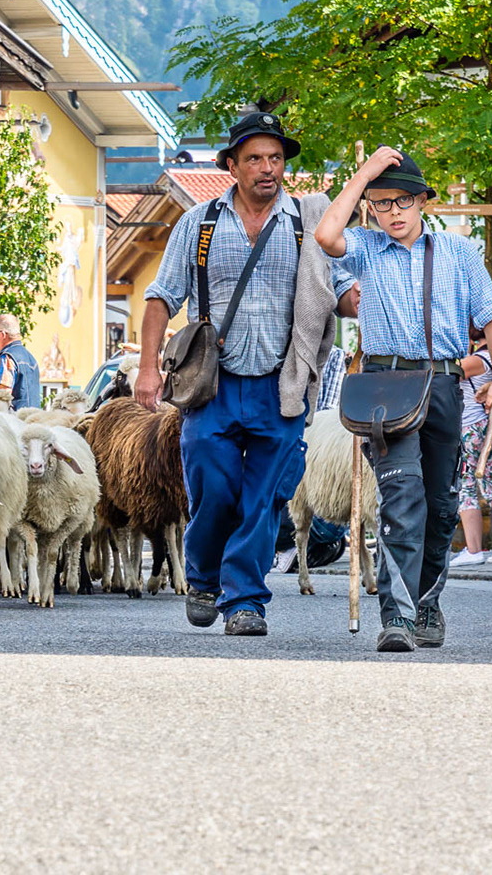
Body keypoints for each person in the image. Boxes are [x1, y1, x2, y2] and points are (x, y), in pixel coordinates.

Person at [139, 112, 347, 637]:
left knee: (265, 498)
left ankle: (245, 601)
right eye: (254, 158)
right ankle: (204, 576)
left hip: (283, 383)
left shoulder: (304, 222)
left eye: (275, 158)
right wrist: (146, 368)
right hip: (212, 384)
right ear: (231, 165)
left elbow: (337, 287)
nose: (267, 168)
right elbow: (162, 297)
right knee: (214, 487)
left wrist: (375, 307)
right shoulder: (200, 223)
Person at [315, 143, 492, 652]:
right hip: (386, 387)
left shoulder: (459, 251)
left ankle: (427, 601)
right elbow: (324, 235)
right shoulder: (364, 246)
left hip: (445, 383)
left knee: (442, 505)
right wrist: (367, 172)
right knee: (402, 498)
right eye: (381, 203)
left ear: (423, 201)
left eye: (402, 202)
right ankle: (397, 617)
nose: (392, 213)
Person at [451, 334, 492, 566]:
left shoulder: (480, 358)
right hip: (486, 426)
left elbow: (453, 369)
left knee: (466, 486)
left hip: (470, 425)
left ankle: (474, 549)